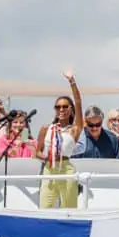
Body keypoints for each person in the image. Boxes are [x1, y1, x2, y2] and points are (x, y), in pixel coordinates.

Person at [35, 71, 84, 209]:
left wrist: (72, 82)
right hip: (49, 169)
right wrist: (46, 157)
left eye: (64, 106)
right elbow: (37, 152)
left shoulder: (74, 129)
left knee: (69, 210)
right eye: (58, 107)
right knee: (45, 208)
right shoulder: (46, 128)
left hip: (66, 169)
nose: (61, 109)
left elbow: (79, 102)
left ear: (70, 109)